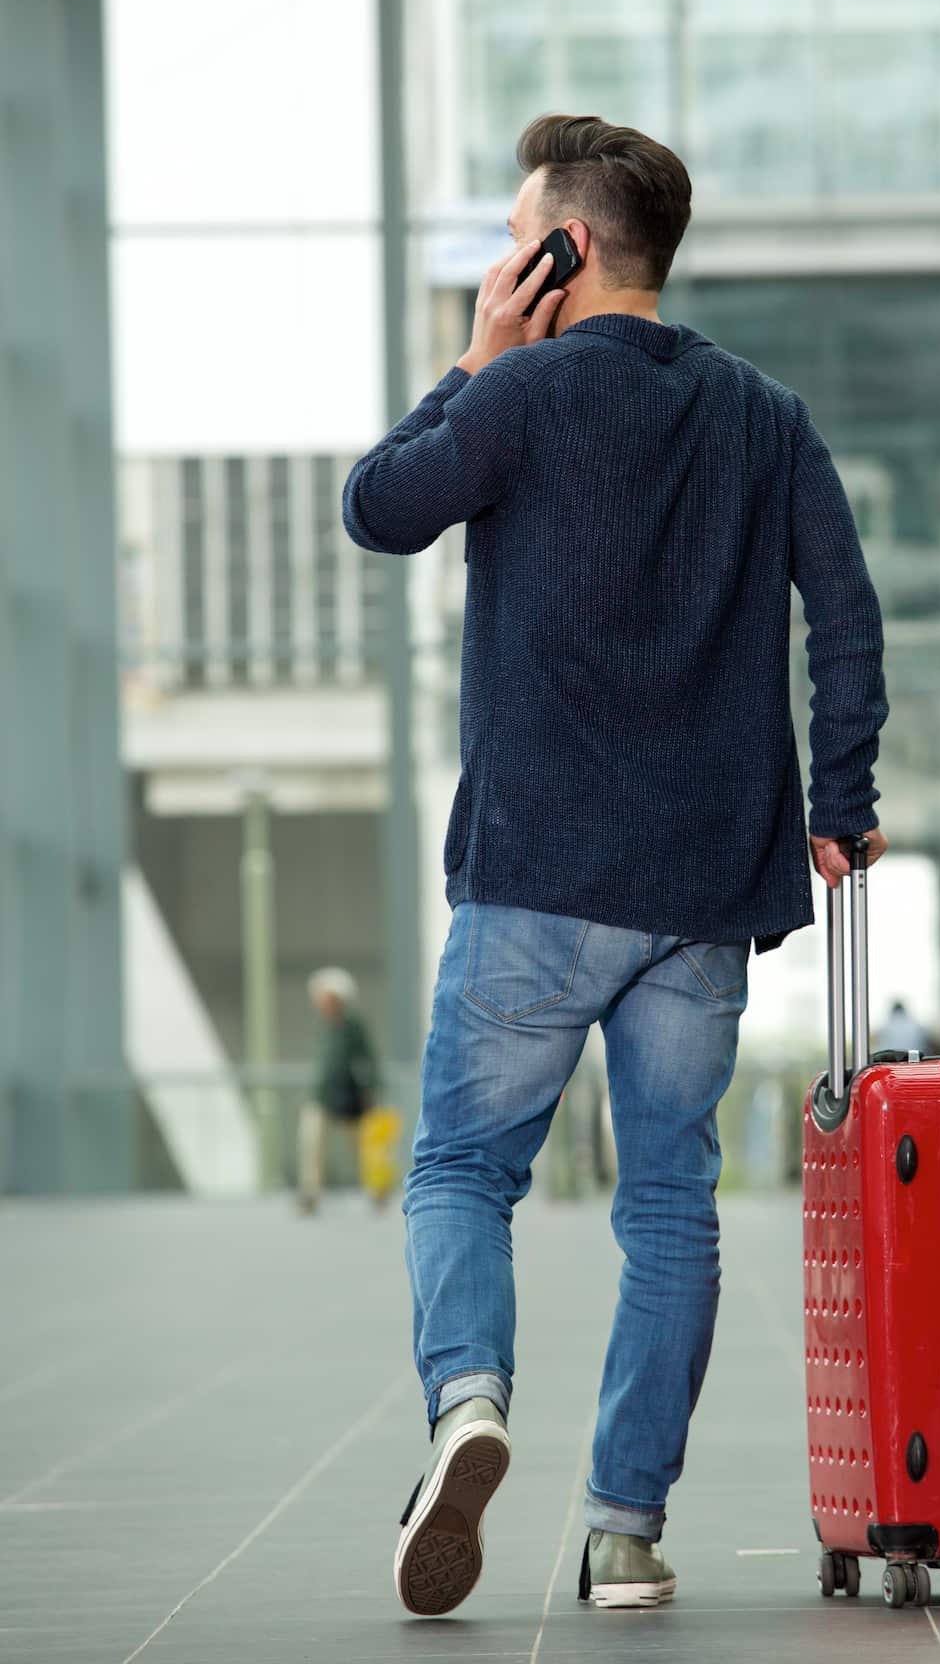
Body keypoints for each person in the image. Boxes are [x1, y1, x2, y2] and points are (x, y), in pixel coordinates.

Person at [343, 114, 888, 1617]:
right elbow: (845, 622)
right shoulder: (764, 415)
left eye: (520, 232)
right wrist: (839, 796)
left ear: (560, 250)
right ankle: (625, 1532)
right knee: (670, 1209)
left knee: (462, 1166)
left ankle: (468, 1404)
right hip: (705, 894)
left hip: (538, 874)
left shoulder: (522, 397)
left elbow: (377, 509)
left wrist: (474, 362)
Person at [296, 967, 380, 1214]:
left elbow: (367, 1060)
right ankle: (311, 1192)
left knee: (360, 1148)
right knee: (312, 1144)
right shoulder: (323, 1026)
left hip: (350, 1097)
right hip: (322, 1096)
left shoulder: (353, 1027)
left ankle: (375, 1189)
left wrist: (369, 1090)